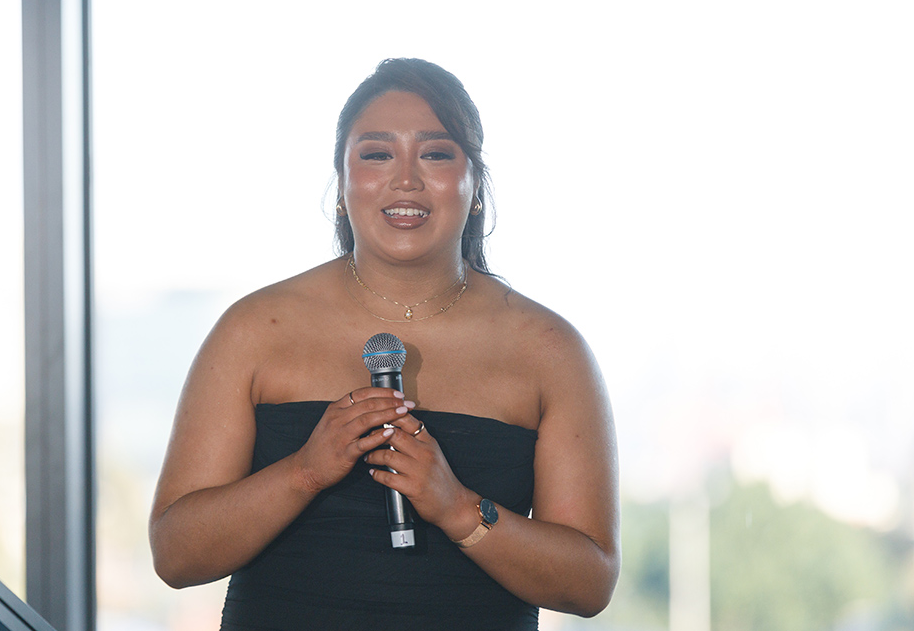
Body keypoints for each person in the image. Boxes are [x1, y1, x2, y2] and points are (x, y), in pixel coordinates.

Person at [149, 58, 620, 630]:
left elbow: (590, 582)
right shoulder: (254, 329)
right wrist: (305, 471)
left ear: (475, 185)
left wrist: (458, 508)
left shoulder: (549, 349)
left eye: (436, 153)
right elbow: (175, 554)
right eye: (376, 154)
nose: (406, 180)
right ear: (342, 184)